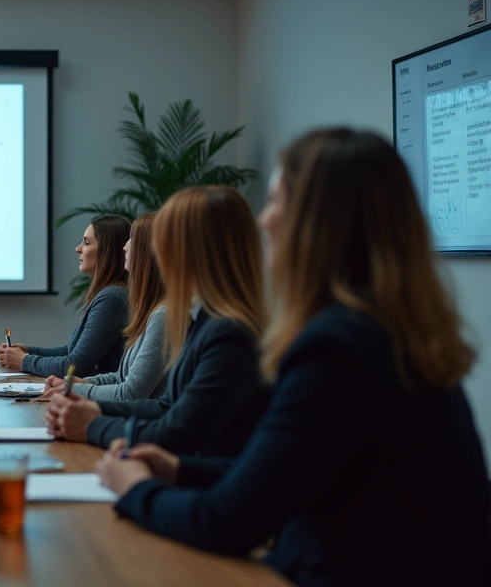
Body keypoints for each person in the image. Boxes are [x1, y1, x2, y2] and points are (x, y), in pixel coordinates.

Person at [96, 129, 490, 586]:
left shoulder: (337, 348)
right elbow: (286, 470)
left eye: (277, 201)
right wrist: (181, 468)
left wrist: (134, 488)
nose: (264, 221)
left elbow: (228, 521)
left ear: (320, 222)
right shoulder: (386, 329)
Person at [46, 186, 269, 457]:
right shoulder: (203, 319)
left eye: (166, 237)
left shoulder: (227, 333)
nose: (132, 247)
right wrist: (91, 406)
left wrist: (92, 422)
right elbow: (167, 406)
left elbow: (179, 430)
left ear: (193, 249)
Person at [43, 212, 167, 400]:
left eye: (133, 238)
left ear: (147, 252)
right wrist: (82, 384)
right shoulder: (151, 310)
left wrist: (73, 389)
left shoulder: (160, 315)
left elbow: (130, 393)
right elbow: (122, 378)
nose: (125, 246)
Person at [0, 215, 130, 378]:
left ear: (107, 251)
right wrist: (28, 352)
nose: (78, 249)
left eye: (87, 242)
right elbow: (73, 350)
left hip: (99, 399)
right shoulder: (110, 293)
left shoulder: (112, 298)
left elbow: (74, 366)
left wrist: (24, 361)